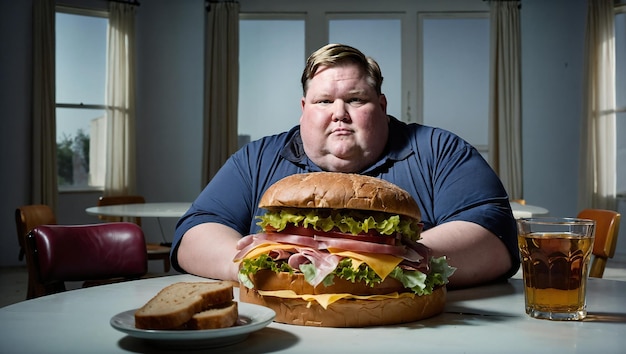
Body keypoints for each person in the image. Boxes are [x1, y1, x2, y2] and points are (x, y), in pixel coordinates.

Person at [173, 43, 519, 289]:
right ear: (304, 107)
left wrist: (378, 260)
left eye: (355, 99)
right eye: (324, 101)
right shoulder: (256, 158)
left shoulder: (440, 150)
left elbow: (494, 236)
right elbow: (196, 232)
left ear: (381, 105)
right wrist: (251, 264)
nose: (339, 113)